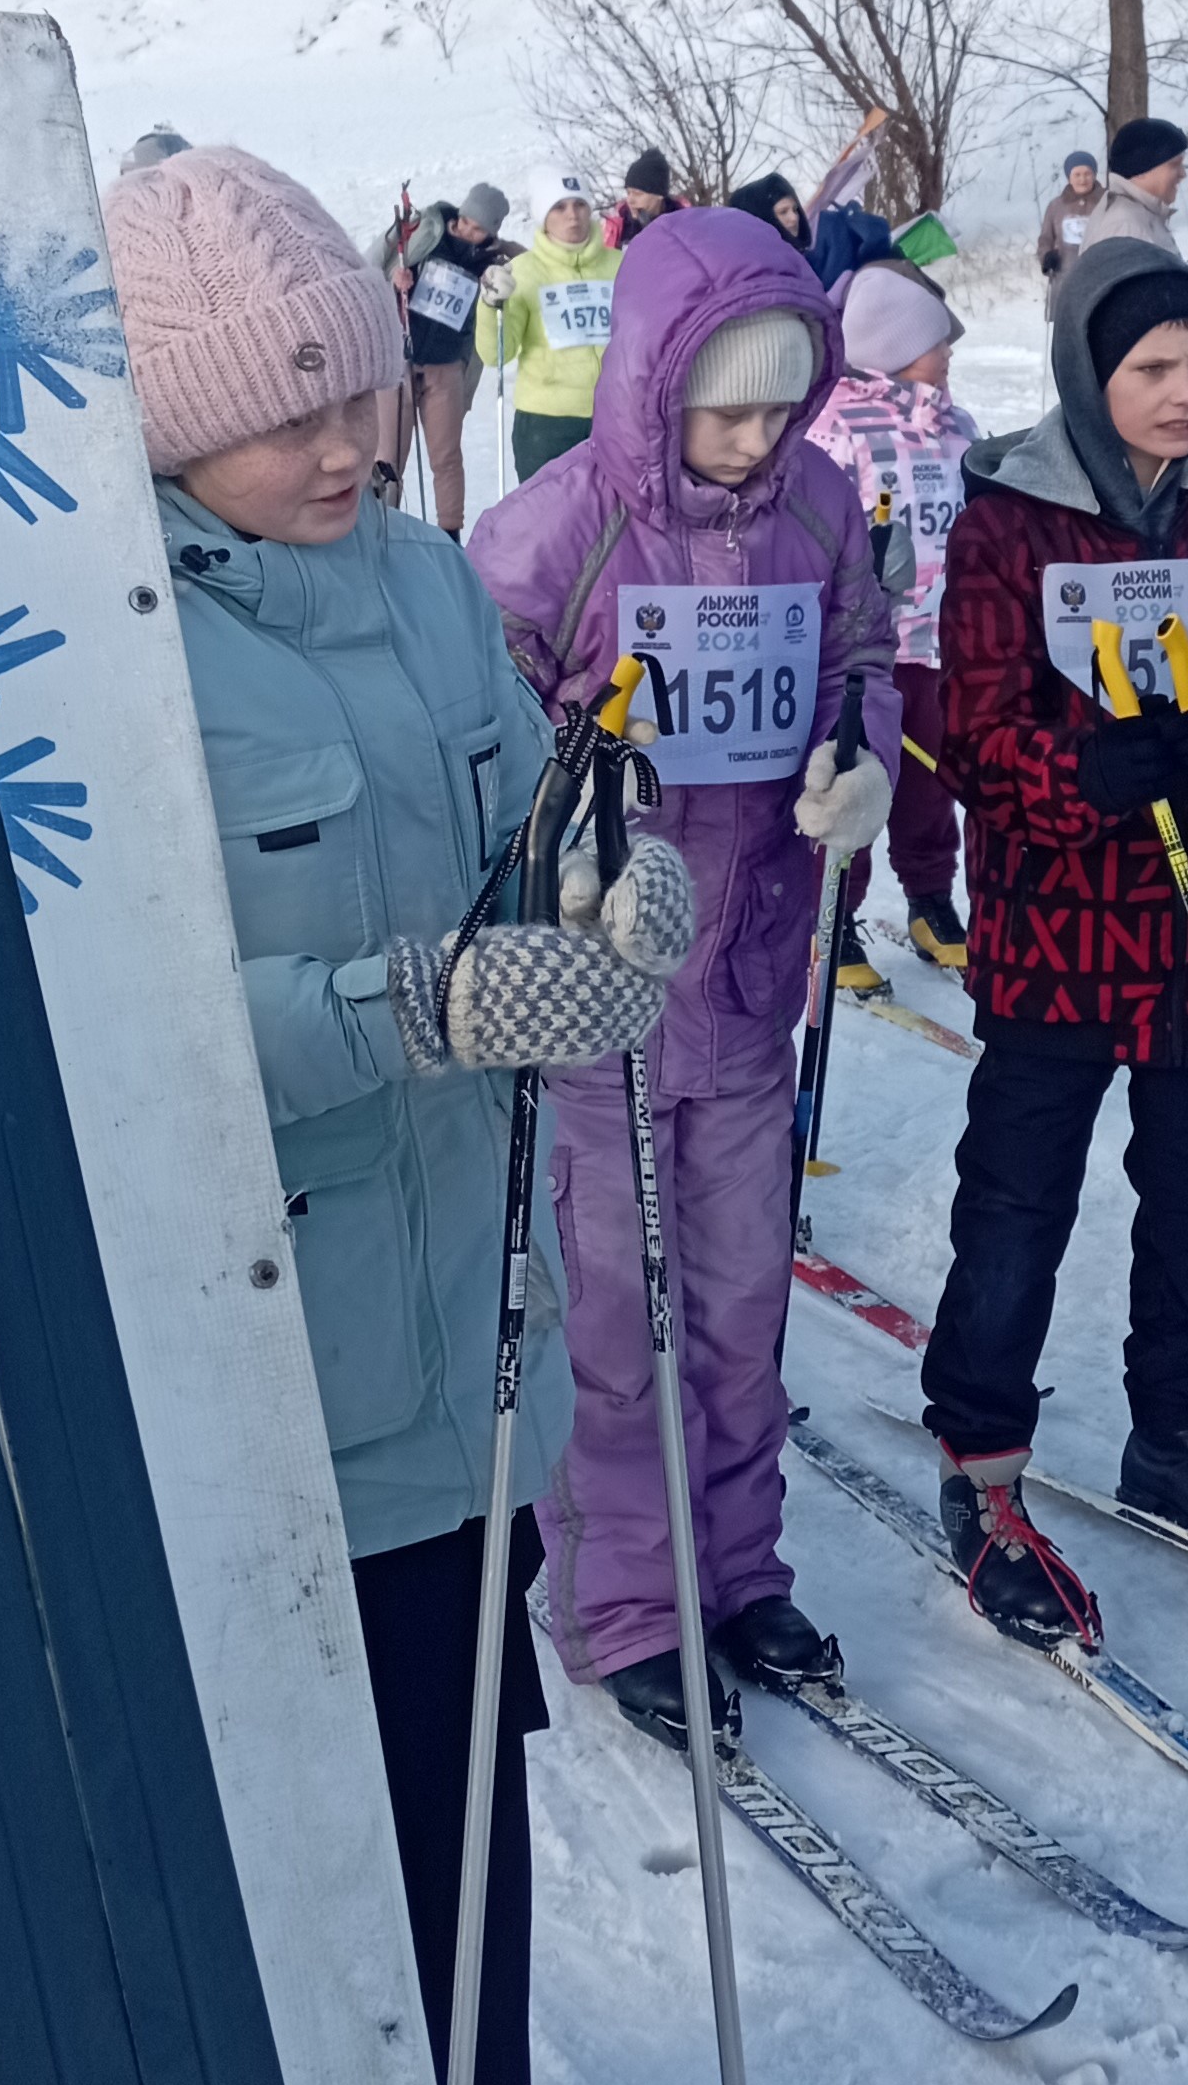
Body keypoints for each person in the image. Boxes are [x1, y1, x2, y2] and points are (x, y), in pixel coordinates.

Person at [97, 146, 695, 2085]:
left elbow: (532, 809)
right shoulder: (102, 650)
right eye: (292, 412)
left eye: (363, 389)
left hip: (465, 1335)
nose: (356, 442)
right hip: (251, 1356)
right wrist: (415, 1004)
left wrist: (614, 890)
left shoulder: (435, 587)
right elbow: (105, 1023)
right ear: (166, 426)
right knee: (272, 1818)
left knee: (459, 1791)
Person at [466, 209, 901, 1744]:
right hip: (601, 1000)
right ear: (654, 383)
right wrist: (556, 831)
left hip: (747, 980)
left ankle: (737, 1566)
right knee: (610, 1310)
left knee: (736, 1299)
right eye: (725, 404)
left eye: (783, 404)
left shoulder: (823, 510)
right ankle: (628, 1596)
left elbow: (860, 657)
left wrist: (865, 763)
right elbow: (477, 726)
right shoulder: (553, 531)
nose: (755, 433)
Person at [920, 239, 1188, 1636]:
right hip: (1059, 932)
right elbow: (970, 732)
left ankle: (1181, 1435)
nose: (1182, 393)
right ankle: (981, 1464)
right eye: (1153, 366)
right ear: (1091, 370)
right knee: (1017, 1211)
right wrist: (1089, 773)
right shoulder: (1007, 520)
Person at [806, 261, 982, 972]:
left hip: (941, 644)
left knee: (932, 780)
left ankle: (931, 897)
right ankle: (834, 915)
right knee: (858, 776)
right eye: (938, 343)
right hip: (867, 648)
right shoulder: (837, 426)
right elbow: (816, 526)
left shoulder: (955, 424)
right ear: (894, 342)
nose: (948, 357)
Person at [371, 181, 515, 541]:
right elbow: (376, 266)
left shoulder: (489, 261)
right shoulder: (426, 233)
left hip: (446, 368)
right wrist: (396, 282)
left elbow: (529, 265)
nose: (467, 230)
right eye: (466, 220)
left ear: (490, 233)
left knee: (446, 457)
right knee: (388, 458)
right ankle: (380, 529)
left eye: (478, 228)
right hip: (399, 360)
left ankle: (450, 535)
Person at [486, 161, 621, 485]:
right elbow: (497, 354)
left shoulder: (622, 265)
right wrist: (491, 306)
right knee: (550, 525)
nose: (572, 215)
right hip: (547, 425)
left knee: (621, 523)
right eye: (559, 207)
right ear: (543, 216)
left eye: (579, 204)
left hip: (617, 416)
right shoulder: (524, 272)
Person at [729, 168, 895, 287]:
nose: (794, 218)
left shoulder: (814, 263)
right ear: (761, 220)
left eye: (795, 209)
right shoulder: (749, 279)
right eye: (783, 212)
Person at [1078, 117, 1187, 256]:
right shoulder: (1124, 227)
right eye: (1174, 165)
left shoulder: (1139, 215)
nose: (1183, 174)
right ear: (1141, 170)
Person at [1037, 145, 1103, 301]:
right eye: (1077, 174)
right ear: (1069, 177)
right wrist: (1046, 257)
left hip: (1101, 277)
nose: (1082, 179)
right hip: (1066, 278)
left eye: (1087, 173)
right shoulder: (1056, 206)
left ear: (1094, 175)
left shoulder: (1107, 203)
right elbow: (1045, 239)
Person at [609, 150, 685, 248]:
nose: (630, 200)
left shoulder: (682, 227)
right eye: (628, 192)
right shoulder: (617, 229)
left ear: (659, 195)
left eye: (638, 194)